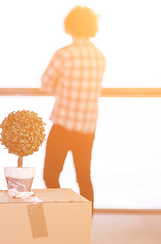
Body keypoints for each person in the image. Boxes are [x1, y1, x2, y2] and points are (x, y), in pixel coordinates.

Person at [41, 6, 106, 210]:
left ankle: (61, 215)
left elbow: (45, 84)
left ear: (69, 26)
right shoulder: (100, 57)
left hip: (63, 126)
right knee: (84, 178)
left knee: (50, 176)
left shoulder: (64, 55)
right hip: (88, 128)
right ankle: (84, 226)